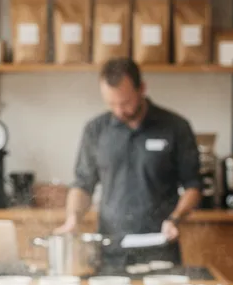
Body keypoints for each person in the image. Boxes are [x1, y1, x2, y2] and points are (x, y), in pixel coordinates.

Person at [58, 58, 201, 266]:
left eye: (124, 102)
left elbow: (193, 186)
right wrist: (73, 219)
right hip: (110, 250)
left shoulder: (175, 127)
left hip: (159, 248)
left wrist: (175, 218)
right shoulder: (96, 130)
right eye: (111, 103)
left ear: (141, 88)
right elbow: (82, 184)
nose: (119, 110)